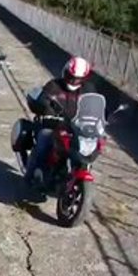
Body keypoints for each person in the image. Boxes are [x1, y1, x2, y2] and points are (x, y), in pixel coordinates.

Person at [26, 55, 95, 190]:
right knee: (44, 138)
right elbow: (43, 98)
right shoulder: (54, 85)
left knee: (87, 147)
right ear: (65, 72)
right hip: (54, 125)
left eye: (77, 78)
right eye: (71, 76)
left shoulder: (88, 89)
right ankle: (33, 173)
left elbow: (94, 104)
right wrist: (47, 110)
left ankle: (75, 172)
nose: (73, 80)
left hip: (76, 128)